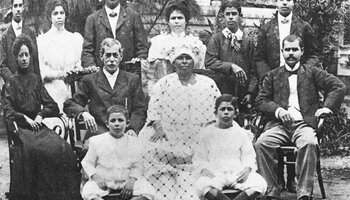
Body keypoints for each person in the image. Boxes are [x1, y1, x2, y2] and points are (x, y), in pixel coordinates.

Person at [254, 35, 345, 200]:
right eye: (287, 50)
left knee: (309, 142)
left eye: (294, 49)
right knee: (262, 143)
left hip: (304, 124)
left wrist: (326, 108)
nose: (290, 53)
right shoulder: (273, 75)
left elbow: (338, 86)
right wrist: (278, 111)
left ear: (301, 51)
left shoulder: (312, 72)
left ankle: (303, 193)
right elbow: (260, 100)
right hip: (280, 125)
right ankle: (272, 188)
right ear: (282, 52)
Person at [2, 34, 81, 200]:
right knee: (34, 151)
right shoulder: (11, 82)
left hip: (38, 127)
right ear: (15, 58)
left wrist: (39, 115)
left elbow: (52, 106)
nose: (24, 59)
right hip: (22, 129)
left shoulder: (36, 80)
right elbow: (8, 111)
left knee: (63, 148)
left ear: (31, 56)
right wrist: (24, 118)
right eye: (20, 55)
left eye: (27, 54)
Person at [138, 43, 221, 200]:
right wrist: (158, 126)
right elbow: (154, 108)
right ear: (173, 62)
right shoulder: (164, 82)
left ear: (194, 62)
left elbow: (219, 107)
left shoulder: (207, 83)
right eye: (180, 58)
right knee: (151, 148)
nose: (184, 62)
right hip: (169, 132)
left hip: (200, 133)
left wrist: (212, 129)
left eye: (187, 58)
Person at [64, 38, 147, 144]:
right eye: (108, 55)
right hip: (99, 131)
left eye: (115, 55)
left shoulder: (132, 79)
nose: (111, 59)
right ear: (101, 56)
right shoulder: (90, 80)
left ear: (121, 56)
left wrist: (133, 128)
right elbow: (70, 104)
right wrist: (83, 113)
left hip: (124, 131)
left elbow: (140, 109)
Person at [193, 94, 267, 200]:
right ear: (216, 113)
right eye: (222, 109)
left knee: (260, 183)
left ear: (236, 113)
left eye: (230, 109)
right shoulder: (207, 133)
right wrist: (204, 168)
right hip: (215, 173)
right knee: (200, 184)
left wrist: (247, 169)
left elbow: (249, 155)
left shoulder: (241, 133)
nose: (226, 112)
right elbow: (200, 156)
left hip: (236, 173)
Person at [81, 105, 155, 200]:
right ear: (107, 124)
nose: (117, 124)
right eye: (113, 121)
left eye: (120, 120)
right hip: (104, 180)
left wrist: (131, 182)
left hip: (126, 180)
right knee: (88, 192)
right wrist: (96, 178)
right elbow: (87, 162)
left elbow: (138, 166)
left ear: (127, 123)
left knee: (148, 191)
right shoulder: (97, 141)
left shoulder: (134, 142)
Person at [205, 0, 258, 126]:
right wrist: (231, 66)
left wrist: (250, 92)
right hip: (222, 90)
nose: (230, 17)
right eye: (227, 14)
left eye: (234, 13)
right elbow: (209, 62)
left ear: (240, 16)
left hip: (242, 92)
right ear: (222, 16)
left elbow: (253, 69)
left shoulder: (247, 41)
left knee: (241, 125)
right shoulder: (217, 39)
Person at [144, 1, 206, 97]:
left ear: (186, 21)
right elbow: (152, 72)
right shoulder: (159, 42)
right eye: (173, 18)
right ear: (168, 21)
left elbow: (201, 69)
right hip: (165, 90)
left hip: (190, 89)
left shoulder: (195, 43)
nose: (176, 21)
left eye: (180, 18)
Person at [254, 0, 319, 81]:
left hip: (299, 80)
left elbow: (313, 55)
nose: (284, 3)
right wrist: (267, 77)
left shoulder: (304, 27)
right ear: (276, 3)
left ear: (293, 3)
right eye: (281, 0)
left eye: (288, 0)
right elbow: (259, 58)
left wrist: (304, 73)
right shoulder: (266, 29)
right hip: (273, 81)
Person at [37, 0, 83, 112]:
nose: (59, 17)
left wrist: (77, 71)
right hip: (52, 90)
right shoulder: (43, 40)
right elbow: (43, 72)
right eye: (55, 13)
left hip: (71, 90)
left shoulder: (74, 39)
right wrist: (61, 74)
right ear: (49, 17)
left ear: (65, 15)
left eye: (61, 13)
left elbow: (78, 65)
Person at [82, 0, 148, 68]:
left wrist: (137, 64)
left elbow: (142, 48)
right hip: (101, 74)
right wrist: (92, 69)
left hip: (129, 74)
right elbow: (87, 50)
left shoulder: (133, 17)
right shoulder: (92, 19)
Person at [0, 0, 40, 83]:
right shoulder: (5, 36)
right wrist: (13, 81)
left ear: (23, 7)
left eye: (20, 5)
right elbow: (2, 65)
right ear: (11, 8)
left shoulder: (30, 33)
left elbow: (35, 60)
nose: (18, 9)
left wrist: (37, 82)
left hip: (30, 84)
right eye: (15, 6)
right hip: (13, 85)